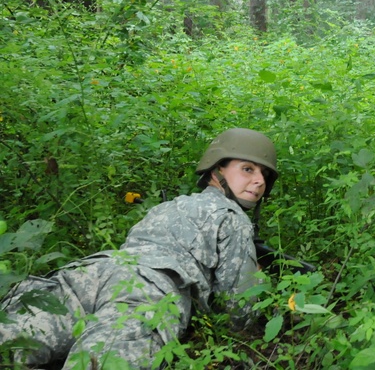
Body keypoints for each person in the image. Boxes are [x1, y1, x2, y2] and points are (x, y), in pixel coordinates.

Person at [0, 128, 279, 369]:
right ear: (217, 170)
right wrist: (260, 281)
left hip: (91, 273)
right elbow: (238, 315)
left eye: (264, 174)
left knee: (7, 346)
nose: (260, 181)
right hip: (146, 294)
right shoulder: (233, 218)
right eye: (247, 169)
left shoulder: (169, 206)